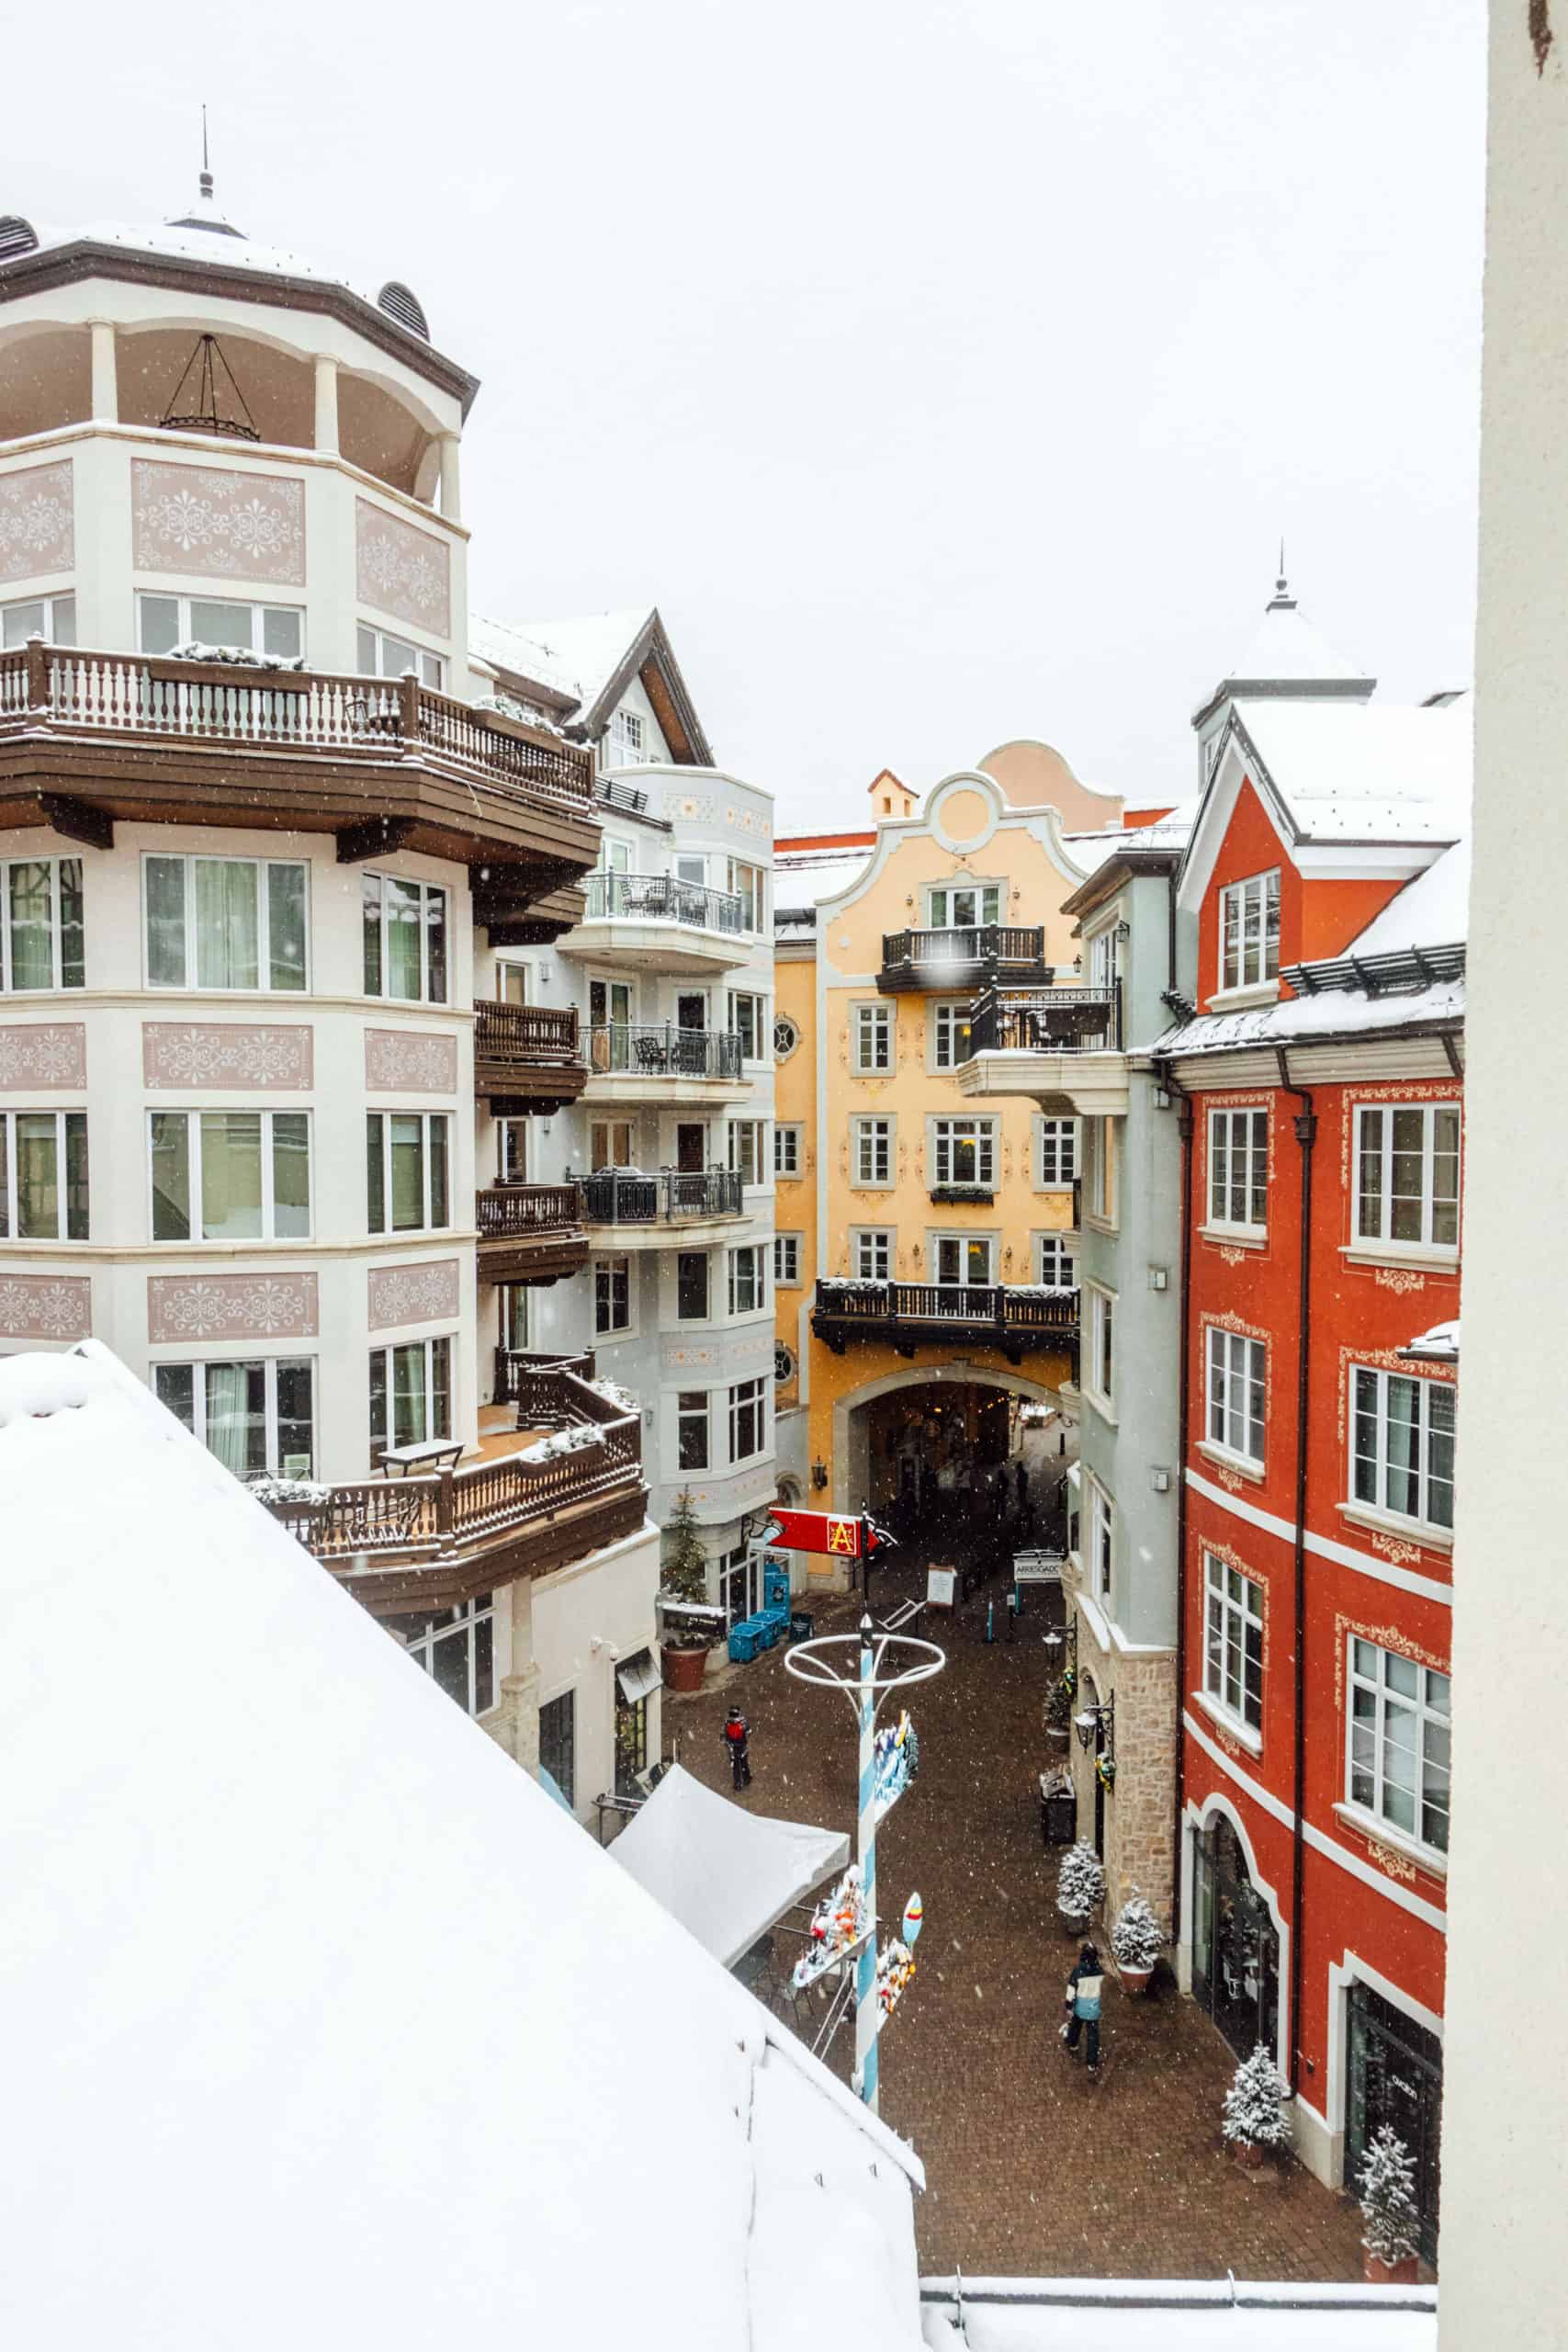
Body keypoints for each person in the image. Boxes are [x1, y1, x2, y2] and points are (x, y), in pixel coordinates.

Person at [1060, 1941, 1104, 2072]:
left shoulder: (1078, 1972)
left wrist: (1069, 2004)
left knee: (1076, 2025)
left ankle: (1072, 2043)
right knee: (1093, 2035)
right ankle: (1092, 2061)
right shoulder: (1099, 1972)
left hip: (1080, 2006)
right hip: (1093, 2007)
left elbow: (1071, 1990)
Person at [722, 1705, 752, 1791]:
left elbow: (723, 1735)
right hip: (742, 1746)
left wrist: (728, 1743)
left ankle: (737, 1784)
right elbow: (749, 1732)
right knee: (744, 1764)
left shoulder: (727, 1722)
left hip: (732, 1748)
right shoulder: (743, 1722)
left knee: (735, 1767)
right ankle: (746, 1779)